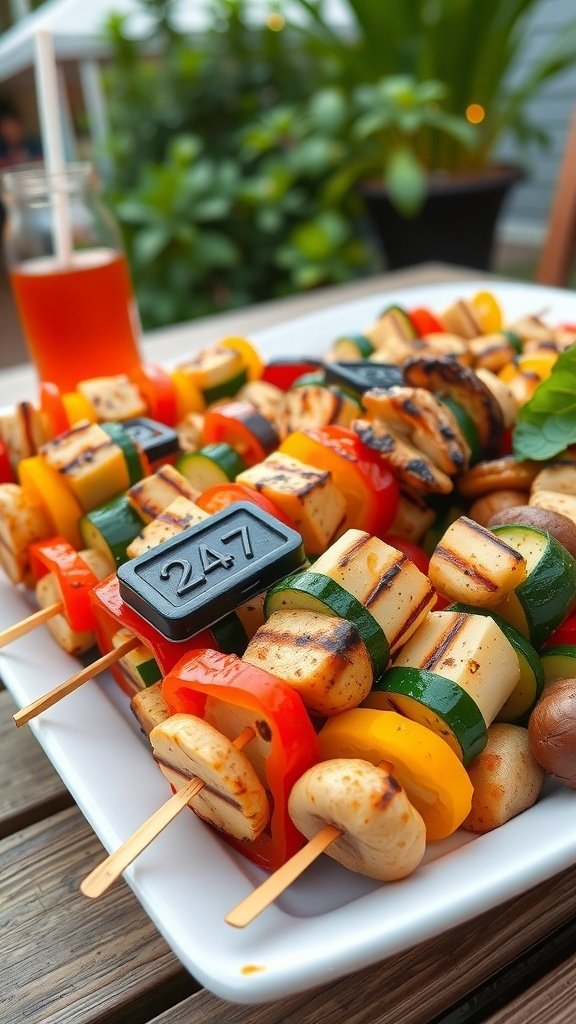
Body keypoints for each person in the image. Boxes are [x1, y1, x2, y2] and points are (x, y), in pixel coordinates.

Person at [0, 99, 42, 170]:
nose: (12, 133)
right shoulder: (2, 153)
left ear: (21, 126)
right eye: (7, 130)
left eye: (14, 128)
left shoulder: (36, 147)